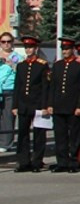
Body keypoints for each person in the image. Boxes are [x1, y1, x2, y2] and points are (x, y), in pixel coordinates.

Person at [49, 40, 80, 173]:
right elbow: (53, 87)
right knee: (60, 136)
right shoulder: (57, 65)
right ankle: (62, 162)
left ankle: (74, 162)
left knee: (74, 136)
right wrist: (50, 104)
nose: (65, 51)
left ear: (73, 49)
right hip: (59, 106)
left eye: (67, 48)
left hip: (73, 107)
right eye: (63, 49)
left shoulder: (79, 66)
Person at [12, 36, 50, 172]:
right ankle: (23, 161)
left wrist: (45, 106)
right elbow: (18, 86)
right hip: (23, 104)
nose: (28, 50)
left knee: (39, 134)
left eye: (31, 47)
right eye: (26, 47)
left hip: (37, 104)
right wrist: (15, 105)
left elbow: (45, 87)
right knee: (23, 134)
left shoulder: (42, 65)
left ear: (36, 48)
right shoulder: (21, 65)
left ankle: (37, 161)